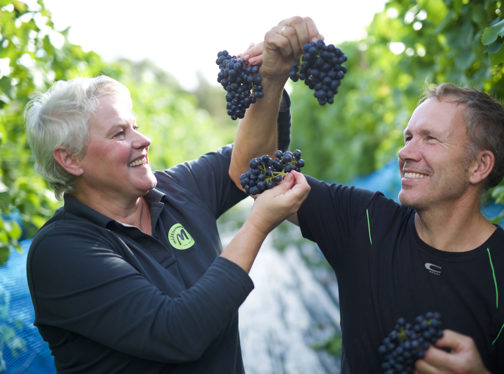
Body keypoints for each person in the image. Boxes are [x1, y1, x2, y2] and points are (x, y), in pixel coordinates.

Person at [24, 16, 318, 373]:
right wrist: (256, 226)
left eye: (137, 127)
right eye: (119, 134)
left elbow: (257, 165)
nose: (142, 140)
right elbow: (176, 333)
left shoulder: (177, 190)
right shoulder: (62, 251)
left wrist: (271, 80)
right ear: (70, 159)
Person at [231, 64, 504, 372]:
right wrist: (272, 77)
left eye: (429, 138)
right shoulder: (365, 222)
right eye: (408, 137)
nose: (404, 153)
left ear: (479, 166)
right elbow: (254, 171)